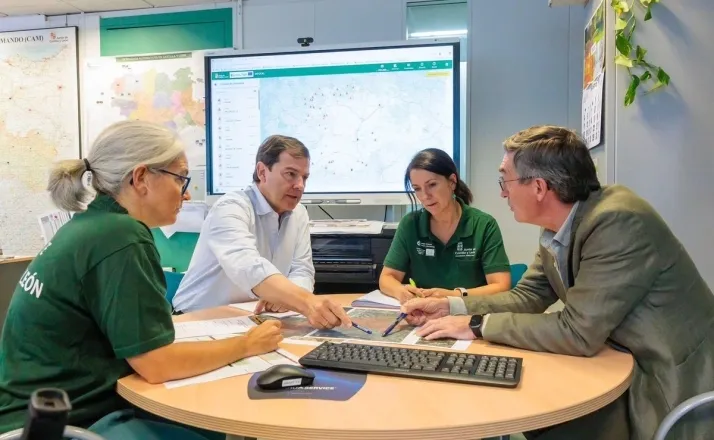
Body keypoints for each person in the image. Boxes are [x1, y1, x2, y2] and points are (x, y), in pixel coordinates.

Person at [400, 126, 714, 440]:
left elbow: (578, 332)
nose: (502, 193)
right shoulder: (559, 224)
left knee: (539, 414)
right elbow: (527, 296)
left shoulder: (617, 222)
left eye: (505, 180)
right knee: (528, 406)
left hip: (662, 380)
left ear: (538, 187)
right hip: (618, 362)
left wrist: (477, 325)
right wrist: (450, 306)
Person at [0, 121, 283, 439]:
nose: (187, 193)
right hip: (62, 426)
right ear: (141, 178)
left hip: (37, 413)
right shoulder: (121, 235)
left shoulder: (89, 225)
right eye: (180, 178)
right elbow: (157, 364)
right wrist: (248, 344)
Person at [172, 135, 351, 329]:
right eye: (291, 174)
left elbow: (302, 269)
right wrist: (305, 301)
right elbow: (248, 266)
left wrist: (286, 298)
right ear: (262, 172)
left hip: (252, 318)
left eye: (304, 177)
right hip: (197, 319)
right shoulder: (230, 207)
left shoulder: (299, 213)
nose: (300, 185)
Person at [379, 148, 511, 304]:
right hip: (423, 312)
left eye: (432, 185)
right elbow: (387, 277)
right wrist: (401, 291)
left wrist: (453, 296)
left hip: (467, 313)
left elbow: (501, 286)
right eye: (417, 189)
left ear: (452, 182)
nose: (425, 196)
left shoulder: (484, 225)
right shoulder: (410, 224)